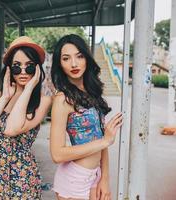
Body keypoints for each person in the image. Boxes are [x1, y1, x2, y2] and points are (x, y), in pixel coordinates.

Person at [50, 34, 123, 200]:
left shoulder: (92, 93)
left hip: (94, 175)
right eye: (66, 58)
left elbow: (101, 141)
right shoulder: (63, 99)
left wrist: (104, 179)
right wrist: (105, 140)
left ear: (87, 59)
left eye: (79, 56)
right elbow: (57, 154)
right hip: (74, 180)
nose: (74, 64)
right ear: (60, 64)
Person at [0, 36, 52, 199]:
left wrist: (28, 88)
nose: (23, 72)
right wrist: (5, 97)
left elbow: (12, 129)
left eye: (30, 67)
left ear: (38, 69)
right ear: (10, 69)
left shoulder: (43, 101)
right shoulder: (3, 95)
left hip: (22, 175)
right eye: (17, 67)